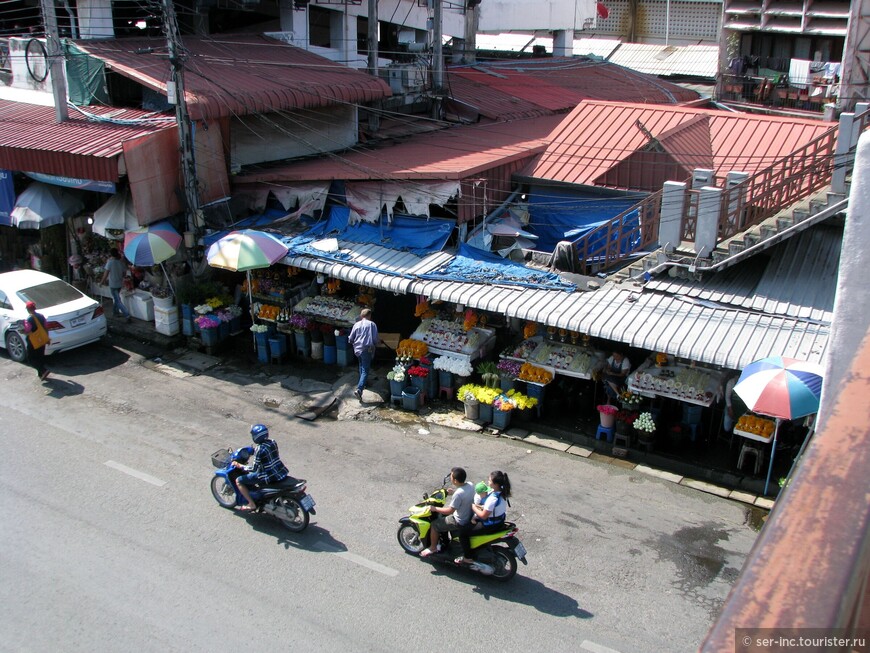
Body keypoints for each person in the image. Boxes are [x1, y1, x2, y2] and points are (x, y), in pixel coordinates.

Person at [456, 470, 512, 565]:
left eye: (489, 480)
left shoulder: (492, 498)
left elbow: (483, 516)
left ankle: (467, 557)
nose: (488, 482)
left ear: (495, 484)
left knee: (463, 533)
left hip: (489, 525)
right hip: (499, 522)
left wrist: (473, 507)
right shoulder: (502, 493)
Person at [232, 424, 289, 512]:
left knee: (239, 480)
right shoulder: (273, 442)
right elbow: (269, 453)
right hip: (279, 471)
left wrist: (241, 466)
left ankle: (251, 504)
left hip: (267, 476)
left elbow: (254, 468)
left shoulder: (259, 449)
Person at [420, 467, 474, 557]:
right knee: (442, 517)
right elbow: (464, 493)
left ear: (455, 481)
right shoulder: (470, 485)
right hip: (468, 514)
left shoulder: (458, 494)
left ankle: (432, 547)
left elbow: (450, 510)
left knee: (434, 524)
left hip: (459, 520)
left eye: (451, 477)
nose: (450, 479)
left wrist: (434, 509)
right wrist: (453, 492)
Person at [348, 308, 378, 400]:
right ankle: (359, 389)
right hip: (366, 349)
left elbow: (351, 338)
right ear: (369, 316)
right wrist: (376, 344)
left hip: (357, 349)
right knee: (365, 369)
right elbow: (374, 339)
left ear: (361, 316)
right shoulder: (372, 324)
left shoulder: (356, 324)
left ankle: (363, 383)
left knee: (361, 365)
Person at [22, 301, 50, 381]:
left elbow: (28, 331)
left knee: (31, 359)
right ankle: (41, 374)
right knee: (40, 357)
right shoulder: (41, 316)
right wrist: (47, 338)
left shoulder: (29, 319)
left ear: (28, 309)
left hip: (33, 342)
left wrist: (22, 331)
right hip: (42, 340)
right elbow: (46, 327)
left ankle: (44, 371)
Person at [101, 249, 131, 323]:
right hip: (119, 283)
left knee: (117, 300)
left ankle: (127, 314)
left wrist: (101, 282)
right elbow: (124, 273)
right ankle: (115, 313)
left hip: (113, 284)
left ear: (111, 254)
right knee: (116, 298)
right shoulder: (120, 263)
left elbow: (106, 274)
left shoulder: (110, 263)